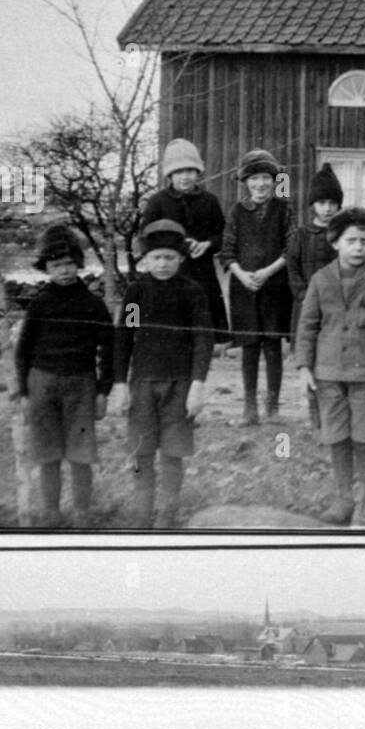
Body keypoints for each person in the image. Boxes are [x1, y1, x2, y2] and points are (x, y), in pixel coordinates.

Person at [110, 220, 213, 527]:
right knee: (141, 452)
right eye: (157, 257)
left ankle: (166, 515)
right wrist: (120, 384)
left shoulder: (192, 293)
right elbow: (125, 337)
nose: (163, 263)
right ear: (146, 259)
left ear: (180, 258)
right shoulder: (137, 293)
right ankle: (142, 513)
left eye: (170, 257)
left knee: (172, 452)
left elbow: (202, 338)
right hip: (142, 383)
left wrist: (197, 385)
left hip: (180, 385)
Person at [296, 208, 365, 527]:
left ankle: (364, 504)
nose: (358, 247)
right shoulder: (320, 279)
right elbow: (308, 325)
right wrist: (304, 367)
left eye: (364, 241)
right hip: (327, 374)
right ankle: (343, 500)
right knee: (336, 437)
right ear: (335, 243)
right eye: (351, 240)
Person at [14, 225, 113, 527]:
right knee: (48, 453)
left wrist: (103, 390)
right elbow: (24, 349)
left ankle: (83, 511)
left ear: (79, 264)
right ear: (46, 268)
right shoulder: (40, 303)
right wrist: (23, 392)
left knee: (81, 453)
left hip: (81, 384)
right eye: (56, 265)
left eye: (70, 263)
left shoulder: (93, 304)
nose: (64, 270)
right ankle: (50, 512)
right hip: (42, 383)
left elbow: (109, 348)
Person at [219, 148, 294, 426]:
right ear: (245, 182)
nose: (260, 184)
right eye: (254, 179)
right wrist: (242, 274)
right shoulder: (237, 211)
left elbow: (291, 248)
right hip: (244, 288)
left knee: (273, 345)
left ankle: (272, 408)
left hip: (275, 287)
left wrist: (267, 272)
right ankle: (249, 409)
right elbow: (227, 251)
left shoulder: (284, 209)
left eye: (265, 178)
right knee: (249, 347)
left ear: (274, 181)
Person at [140, 138, 230, 348]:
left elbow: (223, 235)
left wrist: (207, 244)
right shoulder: (158, 201)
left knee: (202, 328)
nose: (185, 177)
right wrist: (173, 246)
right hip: (168, 272)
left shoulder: (209, 201)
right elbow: (144, 237)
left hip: (202, 273)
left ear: (198, 173)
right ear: (170, 175)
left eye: (191, 171)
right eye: (179, 172)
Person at [286, 163, 344, 429]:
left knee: (335, 359)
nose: (328, 208)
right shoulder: (300, 235)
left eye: (333, 202)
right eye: (322, 202)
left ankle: (336, 412)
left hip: (338, 310)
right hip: (307, 308)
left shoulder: (344, 235)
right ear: (313, 205)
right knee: (309, 360)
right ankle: (314, 413)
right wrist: (303, 297)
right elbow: (293, 269)